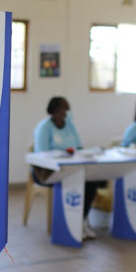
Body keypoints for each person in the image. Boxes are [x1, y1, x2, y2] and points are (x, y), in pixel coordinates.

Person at [34, 96, 104, 239]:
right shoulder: (44, 127)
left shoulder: (70, 125)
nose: (67, 111)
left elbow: (79, 147)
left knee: (91, 183)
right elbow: (42, 154)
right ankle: (72, 225)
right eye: (64, 108)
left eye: (67, 108)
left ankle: (82, 222)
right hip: (47, 172)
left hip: (71, 168)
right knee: (74, 182)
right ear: (55, 110)